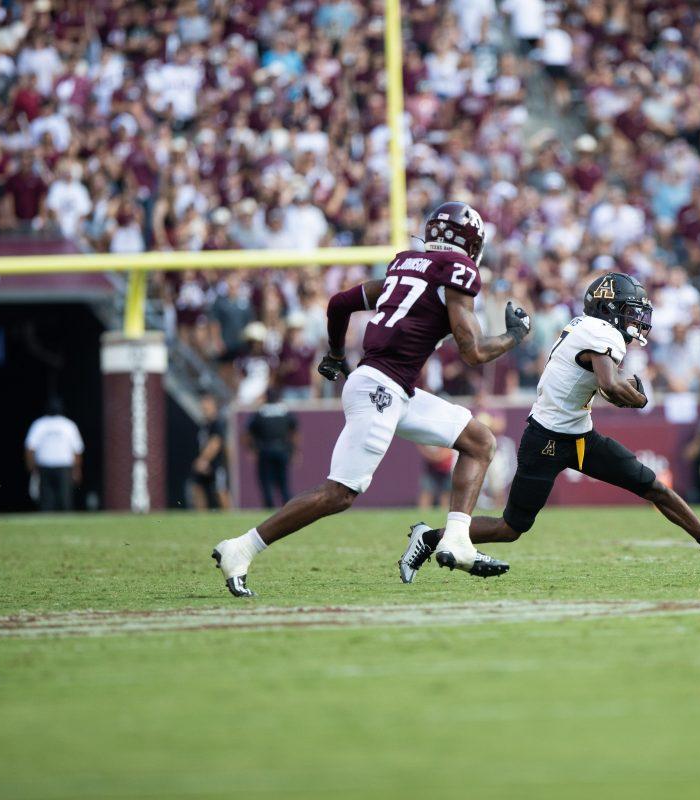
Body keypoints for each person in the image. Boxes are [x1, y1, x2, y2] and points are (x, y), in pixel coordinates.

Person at [211, 201, 532, 596]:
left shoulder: (406, 265)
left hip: (392, 386)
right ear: (471, 244)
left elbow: (340, 303)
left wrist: (333, 354)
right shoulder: (459, 271)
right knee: (339, 492)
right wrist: (515, 336)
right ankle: (240, 548)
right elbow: (474, 352)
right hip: (382, 387)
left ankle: (456, 539)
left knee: (479, 442)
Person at [397, 272, 700, 584]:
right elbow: (609, 386)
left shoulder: (587, 327)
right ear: (609, 309)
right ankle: (430, 538)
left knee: (652, 486)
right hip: (546, 440)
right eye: (630, 311)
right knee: (511, 528)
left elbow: (606, 385)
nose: (636, 319)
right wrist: (638, 398)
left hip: (578, 436)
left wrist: (625, 390)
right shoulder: (600, 331)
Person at [23, 398, 84, 512]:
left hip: (52, 466)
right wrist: (77, 469)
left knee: (51, 498)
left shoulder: (40, 424)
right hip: (57, 467)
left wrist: (31, 466)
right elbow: (77, 450)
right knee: (61, 498)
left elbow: (30, 448)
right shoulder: (68, 425)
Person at [245, 386, 298, 508]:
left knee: (266, 483)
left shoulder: (260, 412)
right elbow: (294, 432)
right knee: (284, 482)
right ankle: (288, 508)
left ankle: (269, 508)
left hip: (265, 450)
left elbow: (247, 434)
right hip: (282, 449)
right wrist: (294, 450)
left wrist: (252, 449)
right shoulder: (284, 411)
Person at [192, 393, 230, 511]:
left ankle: (230, 516)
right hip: (206, 463)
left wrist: (204, 460)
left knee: (220, 491)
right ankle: (201, 518)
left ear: (214, 406)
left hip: (216, 463)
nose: (204, 407)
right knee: (197, 488)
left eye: (207, 404)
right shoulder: (205, 424)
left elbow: (215, 443)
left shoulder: (217, 423)